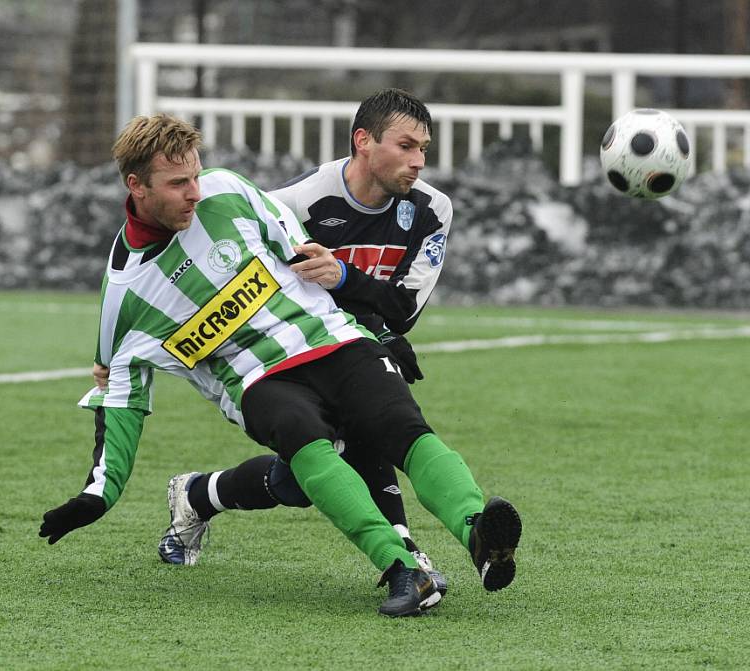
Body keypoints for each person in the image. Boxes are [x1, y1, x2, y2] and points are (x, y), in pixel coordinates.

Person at [43, 113, 522, 618]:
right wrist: (99, 494)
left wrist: (375, 330)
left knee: (401, 427)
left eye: (196, 176)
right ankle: (402, 566)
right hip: (257, 378)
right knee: (307, 445)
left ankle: (477, 534)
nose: (194, 193)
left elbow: (305, 259)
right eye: (178, 183)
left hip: (332, 339)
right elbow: (121, 396)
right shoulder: (125, 295)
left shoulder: (227, 191)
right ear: (135, 186)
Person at [94, 89, 453, 585]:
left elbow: (406, 308)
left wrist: (366, 312)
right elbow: (259, 274)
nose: (418, 162)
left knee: (322, 467)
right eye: (407, 146)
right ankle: (407, 553)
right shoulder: (296, 201)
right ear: (363, 141)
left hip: (342, 333)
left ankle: (200, 495)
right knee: (340, 444)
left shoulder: (433, 208)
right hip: (282, 351)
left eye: (424, 149)